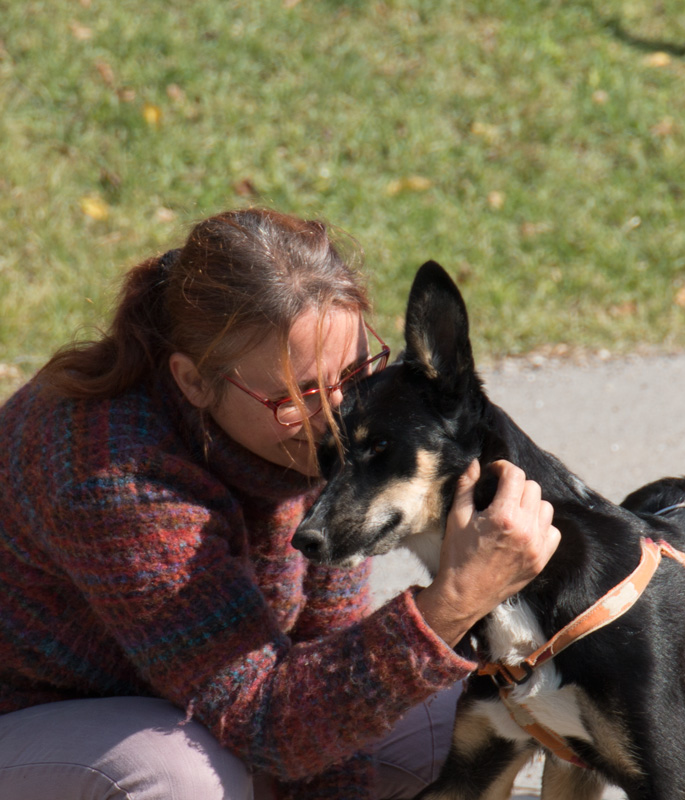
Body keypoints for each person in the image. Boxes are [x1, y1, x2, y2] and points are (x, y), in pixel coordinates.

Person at [0, 207, 560, 800]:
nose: (339, 414)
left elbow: (326, 653)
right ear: (193, 382)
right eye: (299, 394)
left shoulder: (307, 434)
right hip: (39, 715)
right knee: (182, 778)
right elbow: (266, 725)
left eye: (354, 371)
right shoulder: (113, 474)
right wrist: (454, 600)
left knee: (473, 704)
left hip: (200, 705)